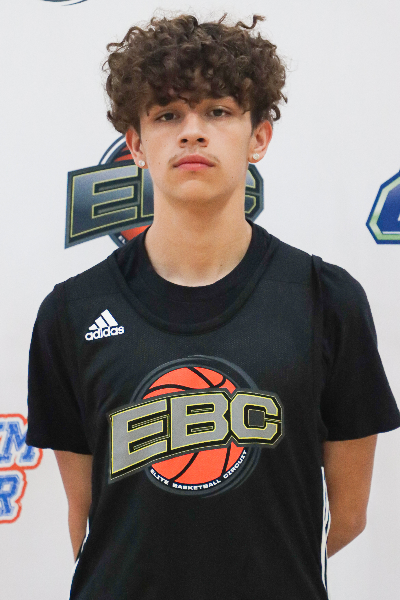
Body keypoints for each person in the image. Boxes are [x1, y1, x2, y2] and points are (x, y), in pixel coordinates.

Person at [26, 12, 400, 600]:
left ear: (259, 138)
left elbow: (347, 516)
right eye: (167, 115)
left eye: (218, 112)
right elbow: (88, 518)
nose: (192, 132)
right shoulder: (71, 313)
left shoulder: (326, 299)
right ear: (135, 144)